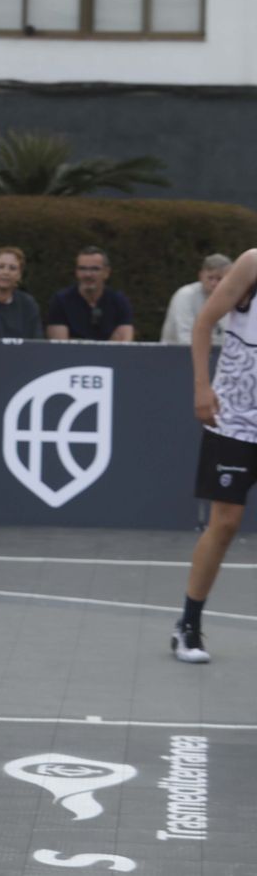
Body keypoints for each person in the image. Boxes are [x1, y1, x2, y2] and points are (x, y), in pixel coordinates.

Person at [182, 248, 257, 664]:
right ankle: (188, 625)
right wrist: (201, 387)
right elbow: (204, 322)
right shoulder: (252, 263)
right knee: (225, 523)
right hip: (235, 418)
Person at [45, 246, 134, 341]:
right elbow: (59, 347)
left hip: (109, 355)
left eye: (95, 269)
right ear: (76, 272)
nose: (88, 275)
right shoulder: (61, 301)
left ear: (106, 272)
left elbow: (124, 345)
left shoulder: (119, 301)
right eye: (82, 269)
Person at [161, 253, 232, 346]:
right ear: (201, 276)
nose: (214, 283)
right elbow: (185, 338)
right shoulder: (185, 295)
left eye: (219, 279)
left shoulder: (232, 298)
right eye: (210, 278)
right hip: (176, 354)